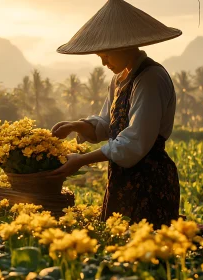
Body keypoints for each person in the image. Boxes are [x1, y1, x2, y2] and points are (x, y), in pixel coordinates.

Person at [48, 0, 181, 229]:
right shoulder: (119, 78)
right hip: (123, 180)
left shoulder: (150, 78)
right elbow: (108, 124)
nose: (102, 62)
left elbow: (133, 142)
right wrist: (76, 126)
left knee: (146, 253)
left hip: (149, 182)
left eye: (106, 54)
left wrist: (81, 160)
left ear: (125, 46)